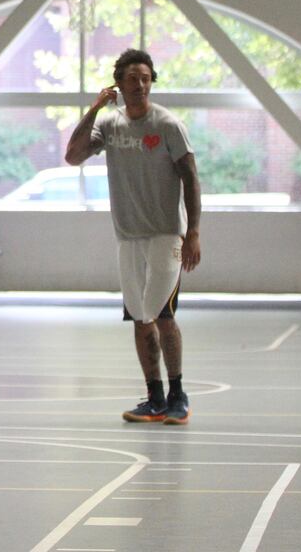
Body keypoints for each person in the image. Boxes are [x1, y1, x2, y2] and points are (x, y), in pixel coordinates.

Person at [66, 48, 201, 425]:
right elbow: (73, 156)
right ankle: (154, 397)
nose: (140, 85)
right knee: (141, 319)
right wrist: (94, 108)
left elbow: (190, 177)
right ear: (119, 84)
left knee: (162, 315)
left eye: (145, 78)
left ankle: (177, 394)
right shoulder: (109, 124)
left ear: (151, 81)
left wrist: (193, 232)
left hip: (165, 237)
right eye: (132, 79)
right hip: (128, 238)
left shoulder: (168, 124)